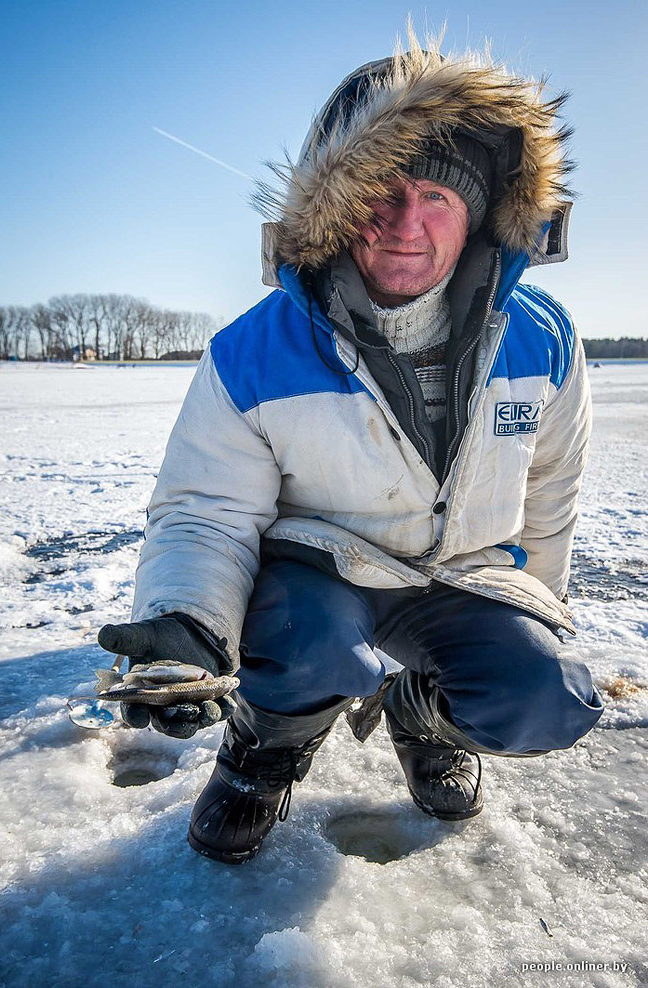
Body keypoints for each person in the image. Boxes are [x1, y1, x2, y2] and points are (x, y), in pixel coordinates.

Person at [98, 33, 604, 864]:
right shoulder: (253, 352)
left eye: (438, 196)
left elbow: (551, 491)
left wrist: (534, 618)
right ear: (334, 209)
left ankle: (422, 716)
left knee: (544, 696)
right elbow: (206, 509)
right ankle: (266, 748)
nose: (406, 225)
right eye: (380, 193)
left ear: (478, 210)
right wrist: (186, 620)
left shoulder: (543, 339)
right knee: (309, 644)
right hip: (320, 579)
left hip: (459, 575)